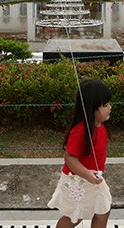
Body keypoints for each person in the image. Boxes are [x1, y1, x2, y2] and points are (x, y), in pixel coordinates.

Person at [48, 79, 113, 228]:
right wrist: (85, 173)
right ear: (91, 108)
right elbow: (69, 157)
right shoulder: (80, 131)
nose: (110, 107)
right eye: (105, 105)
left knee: (103, 210)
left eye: (109, 103)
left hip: (94, 179)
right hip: (78, 181)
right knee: (74, 217)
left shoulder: (100, 126)